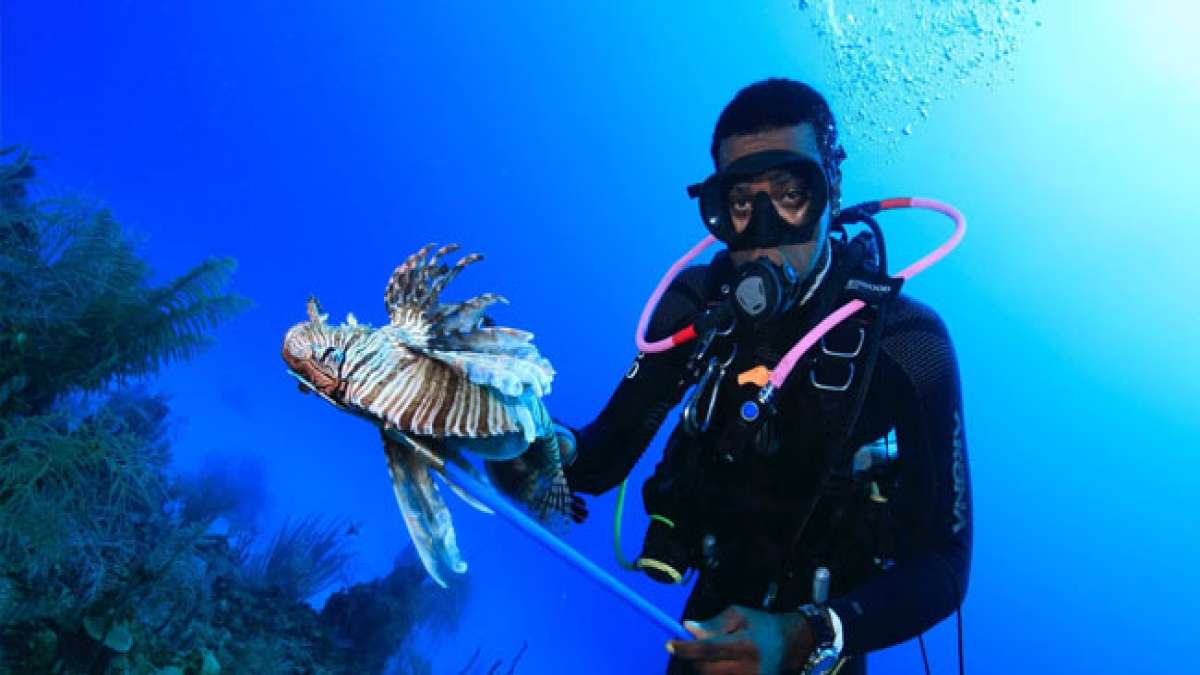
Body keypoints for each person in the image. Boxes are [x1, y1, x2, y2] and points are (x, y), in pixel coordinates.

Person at [558, 78, 972, 674]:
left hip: (825, 647)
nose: (763, 233)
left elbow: (946, 563)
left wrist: (808, 635)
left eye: (790, 194)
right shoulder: (698, 304)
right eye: (742, 204)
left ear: (831, 192)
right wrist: (532, 442)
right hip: (714, 621)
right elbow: (597, 458)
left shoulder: (909, 344)